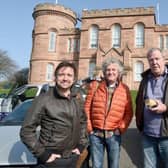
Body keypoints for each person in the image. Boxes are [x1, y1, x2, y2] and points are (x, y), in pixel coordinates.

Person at [20, 61, 88, 168]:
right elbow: (26, 130)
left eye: (69, 75)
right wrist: (42, 154)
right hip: (51, 159)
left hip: (73, 157)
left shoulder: (77, 99)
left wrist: (81, 145)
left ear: (74, 79)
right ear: (55, 77)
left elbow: (83, 122)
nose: (65, 78)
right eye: (61, 75)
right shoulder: (43, 99)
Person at [84, 57, 133, 168]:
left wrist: (121, 129)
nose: (111, 72)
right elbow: (86, 108)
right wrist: (90, 129)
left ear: (118, 72)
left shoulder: (125, 89)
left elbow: (129, 113)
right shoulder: (95, 86)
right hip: (96, 135)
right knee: (97, 165)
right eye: (108, 70)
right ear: (104, 72)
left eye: (113, 70)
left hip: (114, 136)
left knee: (114, 165)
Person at [135, 48, 168, 168]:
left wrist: (166, 108)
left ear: (164, 60)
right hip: (147, 134)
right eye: (151, 60)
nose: (154, 62)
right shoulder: (145, 79)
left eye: (157, 59)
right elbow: (138, 101)